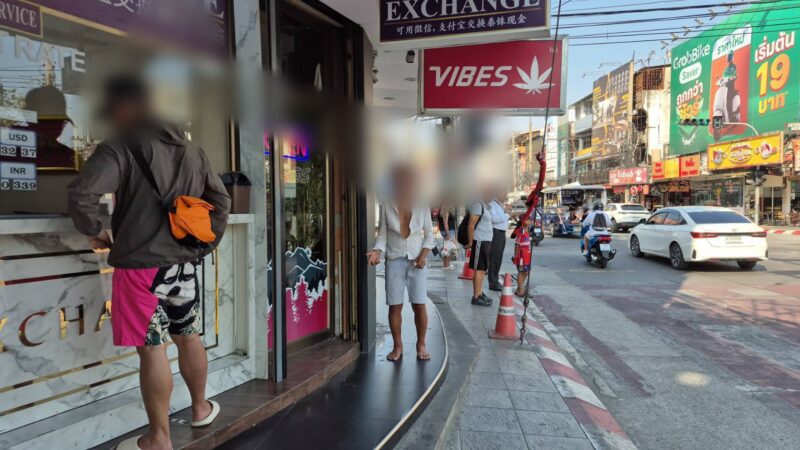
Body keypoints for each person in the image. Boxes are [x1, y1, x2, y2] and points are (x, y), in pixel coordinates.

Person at [67, 75, 231, 450]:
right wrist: (205, 246)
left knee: (153, 347)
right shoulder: (192, 150)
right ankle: (201, 408)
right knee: (188, 334)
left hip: (140, 268)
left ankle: (159, 438)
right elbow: (220, 201)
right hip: (183, 266)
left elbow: (82, 193)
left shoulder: (120, 147)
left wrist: (93, 229)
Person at [367, 165, 435, 361]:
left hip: (417, 260)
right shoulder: (386, 203)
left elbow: (429, 235)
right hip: (394, 259)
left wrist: (423, 255)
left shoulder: (422, 203)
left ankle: (421, 345)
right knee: (394, 306)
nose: (405, 184)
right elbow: (383, 235)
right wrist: (377, 251)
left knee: (419, 305)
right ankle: (398, 347)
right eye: (400, 180)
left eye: (409, 180)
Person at [467, 192, 494, 306]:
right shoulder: (478, 204)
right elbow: (471, 225)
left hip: (486, 241)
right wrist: (470, 242)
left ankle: (480, 293)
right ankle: (476, 297)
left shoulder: (485, 206)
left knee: (482, 270)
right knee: (479, 269)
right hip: (480, 241)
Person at [487, 191, 510, 291]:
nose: (505, 197)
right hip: (496, 233)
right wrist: (507, 215)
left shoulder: (498, 204)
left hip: (501, 233)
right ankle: (493, 282)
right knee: (495, 258)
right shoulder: (492, 204)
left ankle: (495, 280)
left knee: (498, 258)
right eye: (504, 194)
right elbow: (493, 219)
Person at [513, 215, 532, 297]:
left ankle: (518, 289)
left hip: (527, 255)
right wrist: (516, 255)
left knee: (526, 272)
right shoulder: (521, 231)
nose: (529, 221)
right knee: (521, 272)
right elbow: (517, 244)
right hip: (521, 256)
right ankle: (521, 290)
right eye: (527, 220)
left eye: (529, 220)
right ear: (522, 221)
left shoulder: (527, 230)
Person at [438, 204, 457, 270]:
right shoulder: (445, 210)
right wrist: (448, 234)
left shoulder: (442, 210)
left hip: (447, 231)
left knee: (447, 248)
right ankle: (446, 265)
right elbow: (445, 223)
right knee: (451, 249)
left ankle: (446, 264)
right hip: (449, 231)